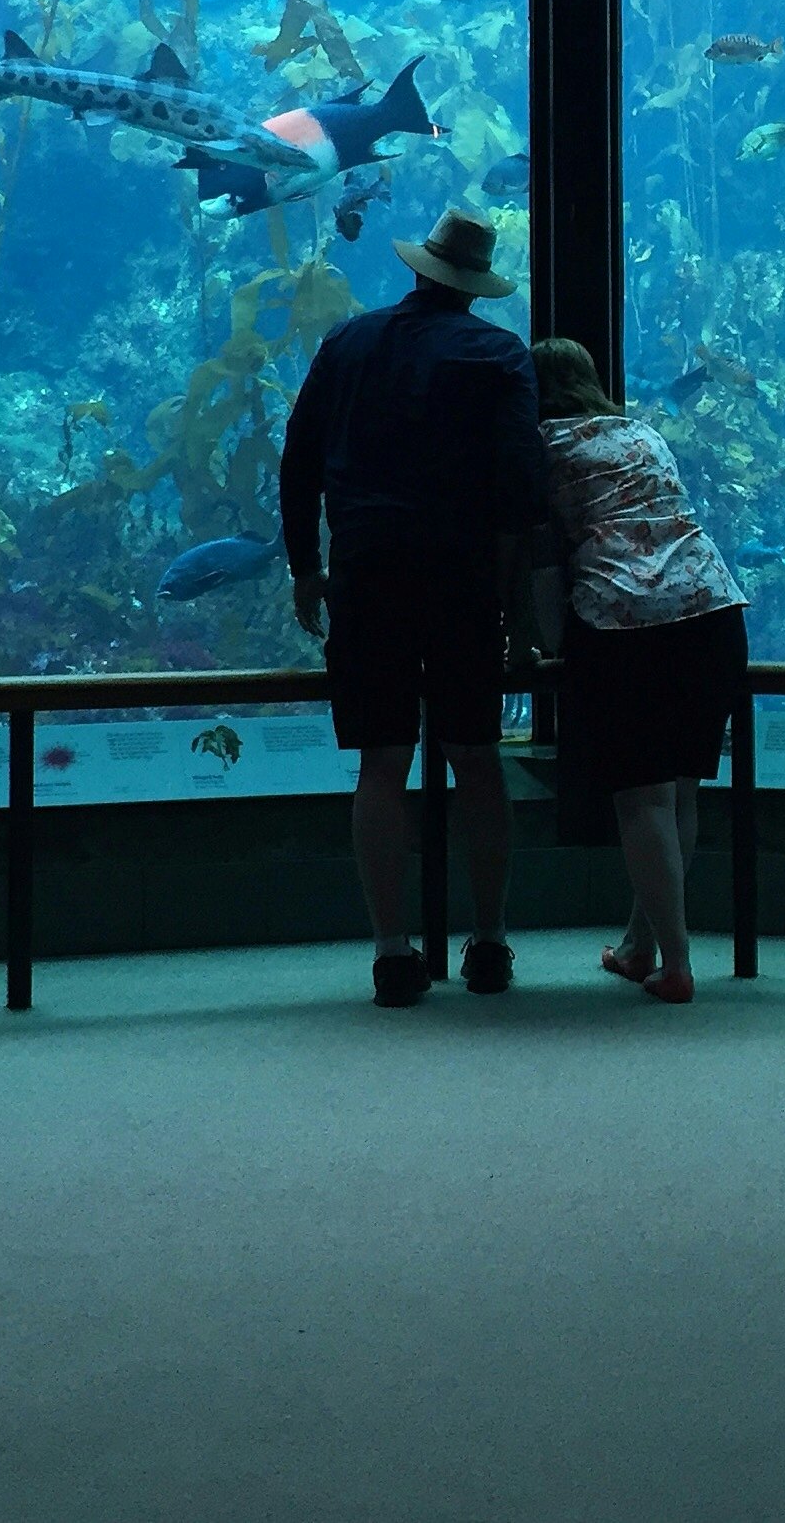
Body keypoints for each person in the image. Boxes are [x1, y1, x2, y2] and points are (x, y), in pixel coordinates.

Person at [281, 208, 547, 1008]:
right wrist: (523, 609)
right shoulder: (499, 355)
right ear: (473, 285)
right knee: (475, 756)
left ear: (419, 269)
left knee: (382, 762)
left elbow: (297, 459)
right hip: (462, 580)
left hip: (366, 571)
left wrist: (305, 567)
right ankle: (491, 941)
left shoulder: (349, 343)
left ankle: (392, 952)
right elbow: (521, 491)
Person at [531, 338, 747, 1006]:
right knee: (680, 794)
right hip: (713, 611)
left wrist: (547, 641)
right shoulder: (643, 433)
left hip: (629, 622)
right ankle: (640, 946)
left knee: (644, 800)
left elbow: (541, 560)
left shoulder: (540, 447)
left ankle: (677, 964)